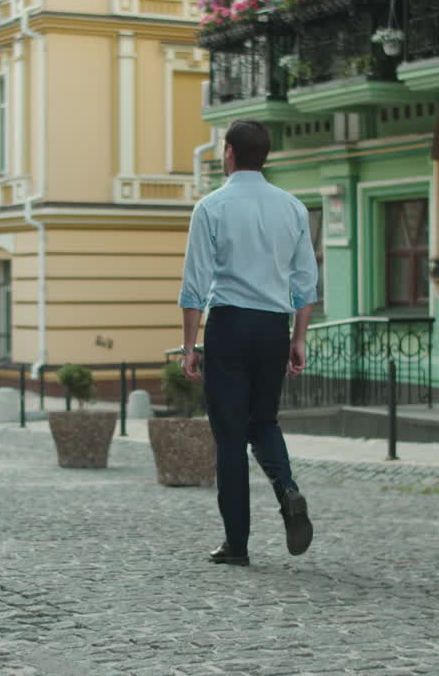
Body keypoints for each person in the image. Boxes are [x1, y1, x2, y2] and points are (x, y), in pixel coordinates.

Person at [178, 119, 319, 567]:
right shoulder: (293, 208)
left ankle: (236, 544)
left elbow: (195, 283)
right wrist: (298, 339)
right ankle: (287, 490)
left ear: (231, 153)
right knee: (265, 422)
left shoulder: (211, 207)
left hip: (231, 325)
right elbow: (305, 283)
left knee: (231, 437)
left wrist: (188, 346)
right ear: (265, 156)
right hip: (274, 328)